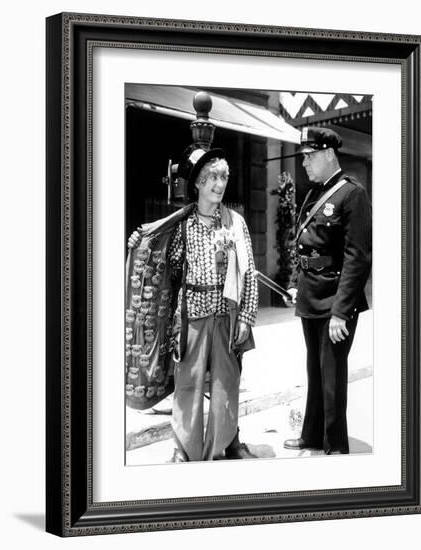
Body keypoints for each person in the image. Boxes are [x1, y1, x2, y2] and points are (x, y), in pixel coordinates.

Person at [127, 147, 258, 462]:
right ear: (198, 183)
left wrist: (246, 317)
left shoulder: (235, 223)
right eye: (212, 177)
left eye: (223, 177)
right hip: (192, 316)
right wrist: (138, 244)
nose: (219, 184)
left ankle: (227, 442)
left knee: (226, 386)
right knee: (188, 387)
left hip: (226, 316)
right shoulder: (183, 226)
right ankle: (183, 449)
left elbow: (249, 272)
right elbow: (164, 266)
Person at [283, 126, 372, 455]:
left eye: (309, 156)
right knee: (315, 371)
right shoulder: (314, 193)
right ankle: (311, 435)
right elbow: (303, 245)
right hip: (310, 296)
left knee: (332, 377)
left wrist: (340, 312)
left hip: (335, 300)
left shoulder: (353, 194)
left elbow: (357, 258)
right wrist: (295, 283)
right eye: (304, 157)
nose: (304, 163)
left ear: (328, 154)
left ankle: (335, 447)